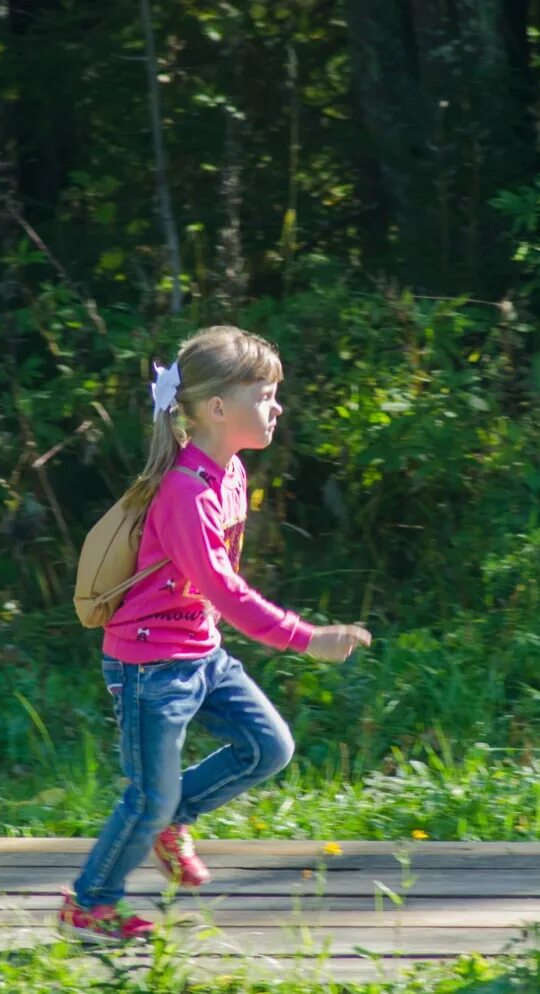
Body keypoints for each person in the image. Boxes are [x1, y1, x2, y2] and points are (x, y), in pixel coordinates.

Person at [59, 326, 372, 943]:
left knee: (268, 748)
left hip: (201, 653)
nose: (278, 406)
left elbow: (213, 591)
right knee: (147, 798)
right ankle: (89, 904)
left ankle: (172, 821)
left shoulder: (230, 476)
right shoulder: (184, 491)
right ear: (219, 408)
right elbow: (226, 591)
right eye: (265, 394)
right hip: (150, 667)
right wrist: (307, 638)